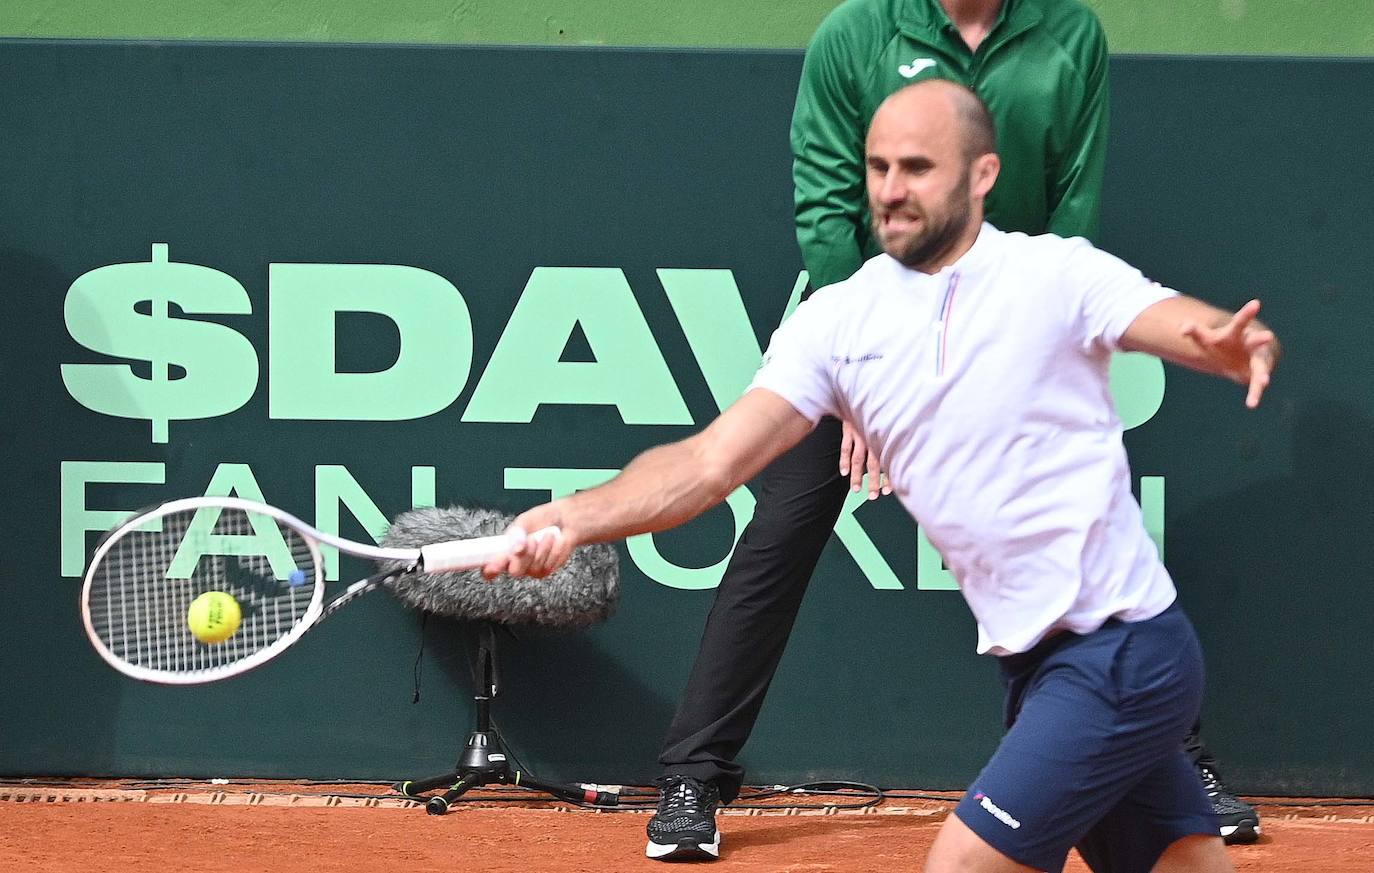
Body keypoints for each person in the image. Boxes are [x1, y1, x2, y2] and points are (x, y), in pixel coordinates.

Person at [483, 81, 1280, 873]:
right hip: (1036, 663)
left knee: (963, 866)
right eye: (878, 167)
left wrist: (1218, 340)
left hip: (1122, 653)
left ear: (983, 175)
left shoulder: (1056, 276)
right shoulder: (836, 321)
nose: (892, 190)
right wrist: (576, 515)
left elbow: (1169, 320)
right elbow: (706, 463)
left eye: (918, 168)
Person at [648, 0, 1258, 859]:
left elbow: (1073, 195)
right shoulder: (854, 35)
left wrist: (1042, 332)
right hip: (865, 329)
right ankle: (693, 777)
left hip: (1013, 324)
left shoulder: (1068, 34)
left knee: (1091, 532)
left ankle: (1170, 756)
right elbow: (827, 209)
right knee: (782, 527)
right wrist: (868, 384)